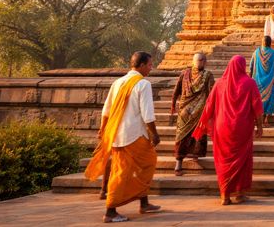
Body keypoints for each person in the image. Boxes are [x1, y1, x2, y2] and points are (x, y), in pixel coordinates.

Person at [85, 51, 161, 223]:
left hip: (116, 134)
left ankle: (144, 202)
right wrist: (155, 134)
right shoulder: (143, 84)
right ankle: (110, 210)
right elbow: (148, 114)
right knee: (133, 168)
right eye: (149, 64)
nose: (151, 68)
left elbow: (106, 110)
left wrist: (104, 130)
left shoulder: (118, 82)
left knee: (139, 166)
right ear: (141, 65)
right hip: (133, 135)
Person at [193, 55, 263, 205]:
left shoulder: (219, 84)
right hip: (242, 128)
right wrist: (260, 126)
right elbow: (257, 107)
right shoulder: (250, 83)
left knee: (223, 160)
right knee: (243, 160)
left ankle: (224, 195)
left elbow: (209, 106)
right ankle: (240, 193)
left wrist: (203, 124)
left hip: (222, 127)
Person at [170, 53, 215, 176]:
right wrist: (173, 104)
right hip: (185, 110)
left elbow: (212, 92)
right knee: (181, 136)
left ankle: (195, 154)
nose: (202, 62)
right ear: (194, 61)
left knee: (198, 134)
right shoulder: (184, 74)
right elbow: (177, 90)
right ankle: (178, 164)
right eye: (200, 60)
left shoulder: (208, 75)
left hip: (200, 111)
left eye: (203, 60)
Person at [249, 35, 274, 126]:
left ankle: (257, 119)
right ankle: (266, 119)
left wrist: (249, 79)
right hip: (270, 80)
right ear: (270, 43)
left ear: (262, 42)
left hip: (257, 80)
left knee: (257, 98)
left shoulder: (256, 52)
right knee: (270, 98)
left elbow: (251, 67)